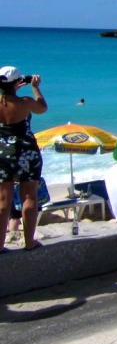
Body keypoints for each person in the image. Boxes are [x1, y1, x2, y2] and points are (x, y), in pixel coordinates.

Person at [0, 67, 47, 252]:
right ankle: (29, 242)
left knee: (3, 200)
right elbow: (42, 108)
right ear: (16, 83)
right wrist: (35, 87)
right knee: (29, 196)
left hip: (3, 153)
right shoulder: (25, 102)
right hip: (26, 152)